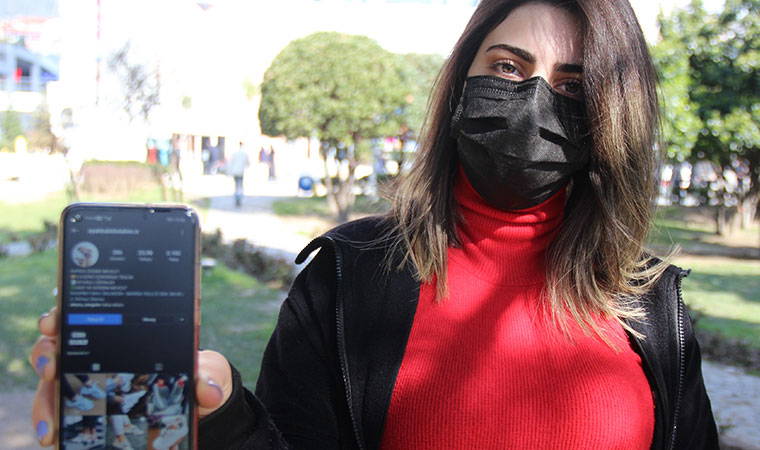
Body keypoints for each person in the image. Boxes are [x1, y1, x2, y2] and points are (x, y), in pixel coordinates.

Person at [30, 0, 719, 448]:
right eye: (508, 67)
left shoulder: (651, 301)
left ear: (610, 114)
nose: (534, 99)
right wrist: (225, 417)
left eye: (573, 85)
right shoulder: (347, 278)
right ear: (459, 87)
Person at [227, 142, 251, 208]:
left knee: (236, 185)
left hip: (235, 171)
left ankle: (237, 198)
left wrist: (229, 171)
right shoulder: (244, 154)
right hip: (241, 172)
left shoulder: (235, 153)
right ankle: (239, 198)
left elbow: (231, 163)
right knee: (240, 185)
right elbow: (248, 163)